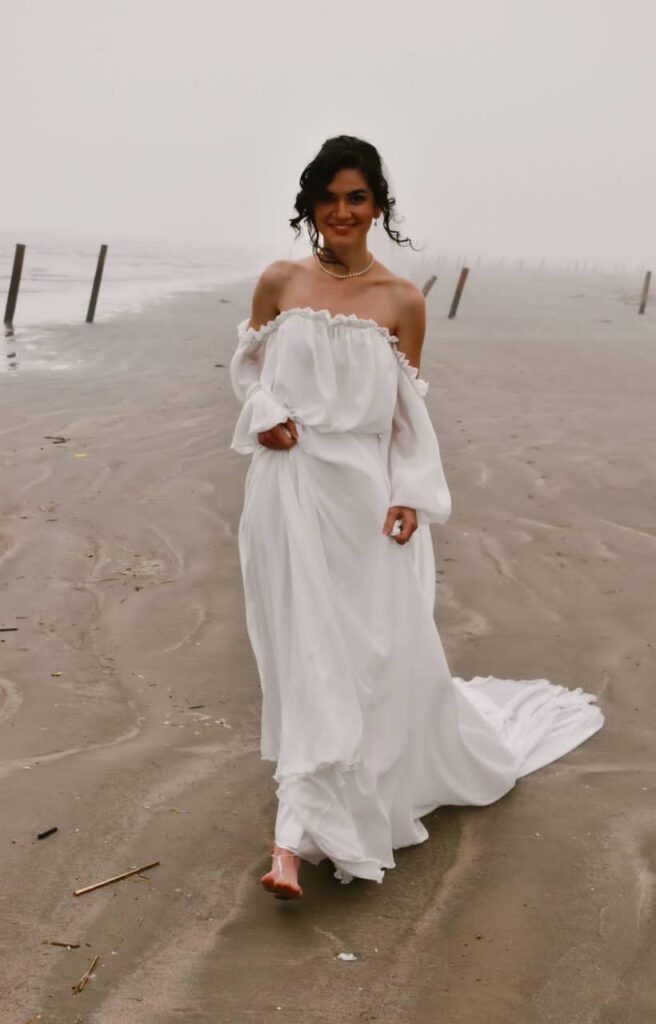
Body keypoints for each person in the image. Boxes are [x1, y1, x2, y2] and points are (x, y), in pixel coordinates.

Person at [229, 135, 603, 901]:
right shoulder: (277, 281)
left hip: (366, 500)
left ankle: (328, 811)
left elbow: (407, 416)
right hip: (288, 492)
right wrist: (264, 414)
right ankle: (292, 844)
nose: (341, 211)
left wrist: (411, 495)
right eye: (328, 197)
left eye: (356, 197)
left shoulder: (403, 301)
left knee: (366, 655)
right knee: (307, 656)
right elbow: (248, 371)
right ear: (308, 204)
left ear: (378, 206)